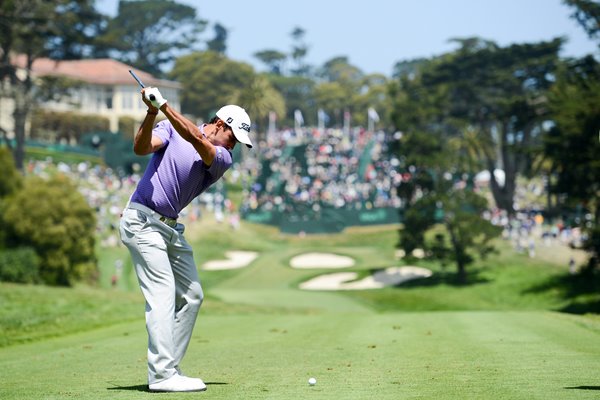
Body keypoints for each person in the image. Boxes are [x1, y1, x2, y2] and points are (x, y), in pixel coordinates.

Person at [119, 86, 252, 392]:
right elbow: (141, 148)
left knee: (192, 296)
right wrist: (152, 112)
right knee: (163, 294)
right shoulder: (170, 127)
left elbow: (196, 138)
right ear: (220, 124)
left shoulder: (222, 158)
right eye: (234, 138)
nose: (234, 147)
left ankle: (169, 368)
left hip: (169, 230)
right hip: (142, 221)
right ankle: (162, 375)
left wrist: (163, 105)